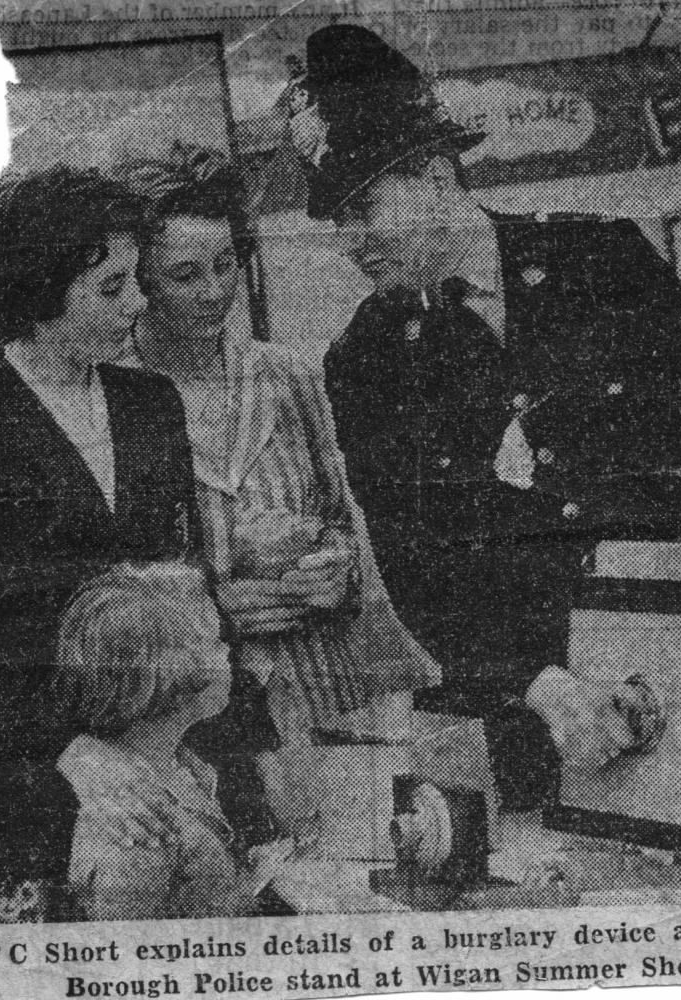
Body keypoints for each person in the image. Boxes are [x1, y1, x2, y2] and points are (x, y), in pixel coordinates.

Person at [291, 25, 681, 809]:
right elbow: (415, 564)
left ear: (432, 177)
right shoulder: (366, 360)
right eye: (336, 223)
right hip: (534, 713)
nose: (349, 244)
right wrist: (543, 683)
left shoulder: (602, 260)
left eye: (363, 208)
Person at [114, 145, 438, 827]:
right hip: (196, 721)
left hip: (324, 692)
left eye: (227, 264)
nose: (214, 291)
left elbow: (342, 522)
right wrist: (209, 610)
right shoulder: (112, 396)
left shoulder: (289, 376)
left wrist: (337, 574)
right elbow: (106, 590)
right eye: (184, 274)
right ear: (139, 280)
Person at [0, 165, 201, 909]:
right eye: (111, 288)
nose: (138, 303)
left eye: (136, 280)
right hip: (30, 773)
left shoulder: (151, 401)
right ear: (40, 295)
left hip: (164, 741)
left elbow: (180, 582)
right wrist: (67, 751)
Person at [55, 562, 293, 920]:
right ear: (169, 673)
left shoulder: (182, 766)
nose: (230, 653)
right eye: (217, 642)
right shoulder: (136, 820)